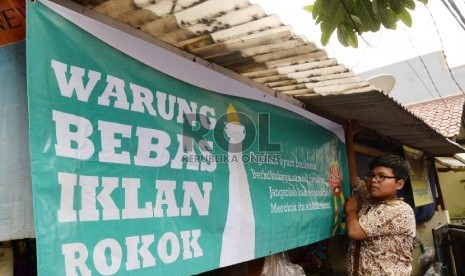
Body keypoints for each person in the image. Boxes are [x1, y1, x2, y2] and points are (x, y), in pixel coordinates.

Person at [344, 155, 416, 275]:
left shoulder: (398, 209)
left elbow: (355, 232)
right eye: (371, 175)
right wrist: (349, 137)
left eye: (382, 176)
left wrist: (352, 211)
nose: (373, 180)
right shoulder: (370, 200)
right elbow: (353, 180)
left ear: (399, 184)